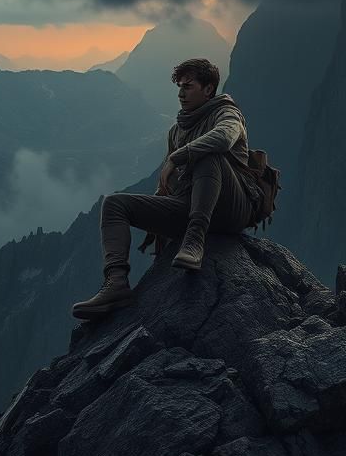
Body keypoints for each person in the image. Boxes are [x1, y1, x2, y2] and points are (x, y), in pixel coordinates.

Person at [72, 57, 261, 320]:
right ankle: (116, 283)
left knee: (209, 155)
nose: (181, 93)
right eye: (179, 87)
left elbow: (224, 138)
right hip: (189, 203)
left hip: (231, 207)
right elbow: (171, 183)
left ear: (208, 89)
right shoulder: (176, 131)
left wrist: (178, 156)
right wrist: (158, 207)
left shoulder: (227, 113)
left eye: (189, 86)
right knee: (115, 204)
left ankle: (195, 240)